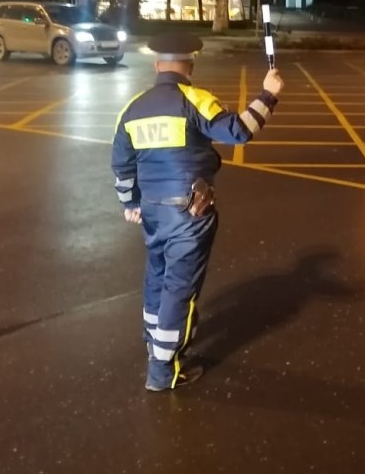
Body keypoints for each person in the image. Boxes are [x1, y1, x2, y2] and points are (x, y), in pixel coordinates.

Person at [111, 31, 283, 392]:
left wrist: (130, 204)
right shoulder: (195, 99)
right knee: (179, 288)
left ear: (157, 66)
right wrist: (268, 94)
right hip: (190, 213)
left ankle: (153, 341)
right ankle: (164, 369)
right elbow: (240, 131)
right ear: (189, 66)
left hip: (152, 212)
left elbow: (122, 166)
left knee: (156, 276)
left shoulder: (133, 107)